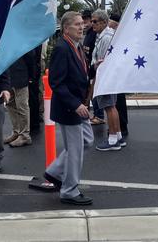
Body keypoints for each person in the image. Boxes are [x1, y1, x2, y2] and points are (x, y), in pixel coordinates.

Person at [42, 11, 94, 205]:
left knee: (87, 140)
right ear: (66, 28)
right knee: (75, 150)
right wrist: (75, 104)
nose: (82, 27)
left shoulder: (77, 46)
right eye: (77, 25)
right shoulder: (62, 49)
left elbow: (80, 72)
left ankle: (54, 172)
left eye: (82, 24)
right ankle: (69, 190)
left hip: (79, 105)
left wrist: (95, 66)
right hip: (69, 107)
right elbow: (57, 82)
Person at [90, 10, 123, 151]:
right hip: (108, 76)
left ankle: (113, 138)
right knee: (112, 106)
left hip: (105, 76)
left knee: (109, 107)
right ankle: (118, 136)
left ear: (104, 22)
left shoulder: (105, 37)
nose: (92, 24)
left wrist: (96, 76)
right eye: (92, 21)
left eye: (95, 21)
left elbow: (102, 60)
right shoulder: (103, 35)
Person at [5, 51, 35, 147]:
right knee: (10, 103)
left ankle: (25, 135)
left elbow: (30, 56)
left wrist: (31, 75)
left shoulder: (21, 37)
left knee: (22, 106)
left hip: (21, 75)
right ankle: (17, 132)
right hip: (9, 75)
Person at [81, 9, 104, 125]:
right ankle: (95, 113)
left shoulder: (95, 33)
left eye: (86, 19)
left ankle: (99, 115)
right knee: (90, 90)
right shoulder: (88, 33)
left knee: (94, 91)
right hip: (88, 66)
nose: (84, 21)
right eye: (83, 19)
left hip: (94, 66)